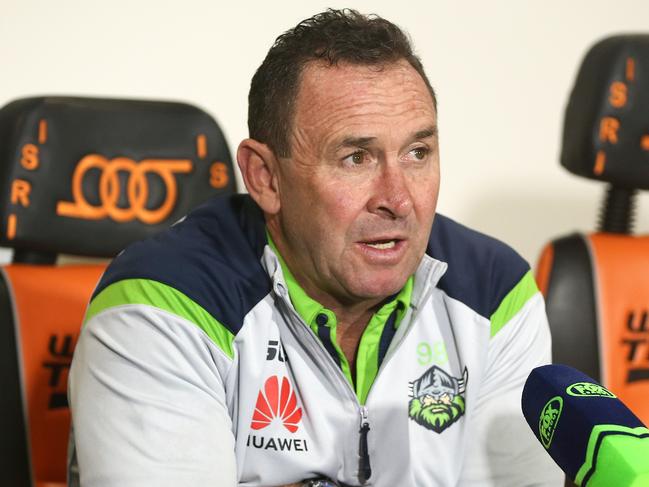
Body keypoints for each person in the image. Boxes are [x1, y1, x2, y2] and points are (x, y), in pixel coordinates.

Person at [68, 9, 563, 487]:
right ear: (265, 177)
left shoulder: (495, 293)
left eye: (417, 153)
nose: (397, 199)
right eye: (355, 158)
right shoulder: (164, 302)